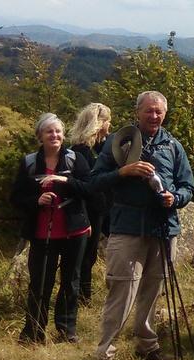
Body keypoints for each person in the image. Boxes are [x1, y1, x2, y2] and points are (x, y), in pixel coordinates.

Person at [90, 91, 194, 360]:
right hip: (127, 227)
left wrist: (176, 198)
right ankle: (106, 353)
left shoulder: (173, 145)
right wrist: (121, 173)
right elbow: (94, 181)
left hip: (163, 228)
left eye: (159, 111)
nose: (154, 116)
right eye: (148, 110)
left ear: (165, 113)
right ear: (137, 112)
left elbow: (188, 186)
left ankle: (147, 346)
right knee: (121, 289)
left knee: (152, 289)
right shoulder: (119, 141)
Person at [9, 113, 93, 344]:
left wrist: (67, 182)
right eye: (49, 132)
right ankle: (33, 333)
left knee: (71, 281)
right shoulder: (28, 163)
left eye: (58, 131)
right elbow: (16, 197)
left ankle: (67, 330)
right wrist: (37, 200)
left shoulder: (76, 159)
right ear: (40, 137)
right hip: (41, 233)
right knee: (39, 283)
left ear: (63, 135)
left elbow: (90, 189)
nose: (54, 135)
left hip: (74, 232)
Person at [68, 103, 112, 305]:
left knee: (90, 255)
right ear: (100, 123)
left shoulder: (98, 147)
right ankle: (81, 298)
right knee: (85, 256)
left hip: (99, 210)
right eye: (108, 120)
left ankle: (83, 296)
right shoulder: (81, 151)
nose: (110, 124)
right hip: (88, 211)